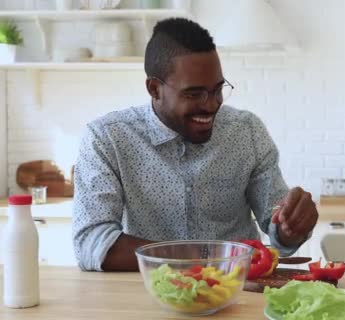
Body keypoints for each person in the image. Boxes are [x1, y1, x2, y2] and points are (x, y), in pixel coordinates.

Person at [72, 18, 318, 272]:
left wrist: (291, 226)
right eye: (194, 93)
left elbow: (275, 217)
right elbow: (91, 242)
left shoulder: (246, 132)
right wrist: (204, 257)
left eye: (217, 89)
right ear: (154, 88)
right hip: (151, 295)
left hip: (237, 293)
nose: (211, 105)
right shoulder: (108, 138)